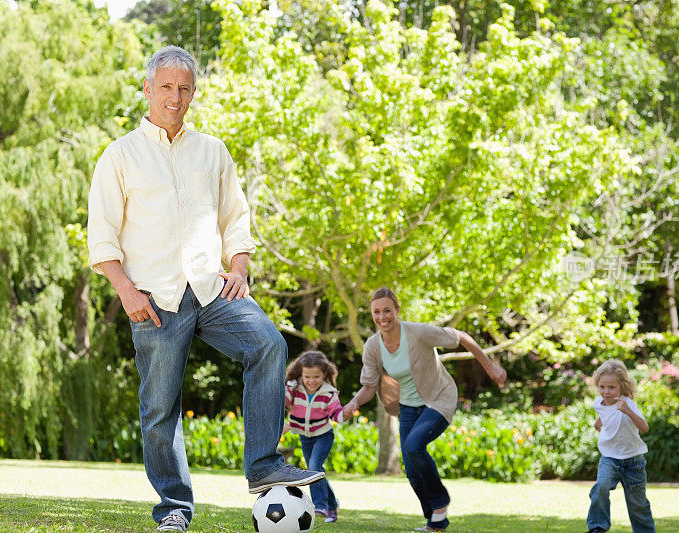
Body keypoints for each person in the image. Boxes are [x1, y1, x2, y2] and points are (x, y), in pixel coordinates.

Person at [86, 45, 323, 532]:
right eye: (166, 87)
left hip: (213, 289)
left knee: (268, 344)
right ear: (147, 89)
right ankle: (174, 507)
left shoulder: (212, 151)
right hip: (153, 299)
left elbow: (235, 218)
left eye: (184, 88)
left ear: (193, 93)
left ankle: (263, 466)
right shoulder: (120, 156)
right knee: (159, 410)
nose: (175, 97)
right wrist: (126, 291)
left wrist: (240, 267)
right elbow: (102, 235)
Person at [341, 288, 506, 532]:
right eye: (377, 312)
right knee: (411, 468)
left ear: (397, 310)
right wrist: (354, 402)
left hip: (438, 399)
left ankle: (440, 503)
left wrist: (490, 367)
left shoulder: (417, 332)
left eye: (387, 310)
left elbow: (461, 337)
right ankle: (435, 520)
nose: (382, 316)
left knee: (413, 446)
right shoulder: (373, 346)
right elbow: (368, 386)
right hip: (408, 406)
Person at [586, 359, 656, 533]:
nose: (606, 392)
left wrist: (628, 411)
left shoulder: (627, 403)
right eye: (602, 387)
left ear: (622, 387)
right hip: (610, 458)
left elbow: (645, 428)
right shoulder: (598, 403)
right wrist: (598, 422)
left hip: (634, 461)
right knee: (601, 487)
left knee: (638, 504)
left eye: (611, 387)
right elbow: (606, 412)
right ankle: (597, 527)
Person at [283, 351, 346, 523]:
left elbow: (336, 413)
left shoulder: (329, 392)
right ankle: (332, 506)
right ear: (301, 374)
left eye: (316, 377)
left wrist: (343, 415)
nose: (311, 381)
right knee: (315, 472)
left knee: (314, 467)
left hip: (323, 435)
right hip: (305, 436)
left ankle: (320, 506)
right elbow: (284, 402)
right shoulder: (294, 388)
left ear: (324, 375)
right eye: (307, 376)